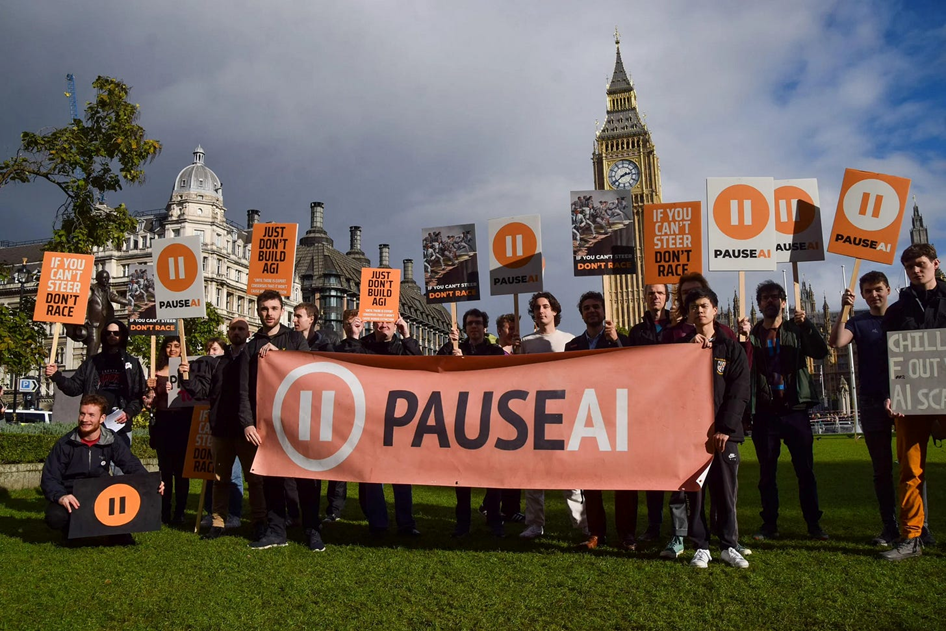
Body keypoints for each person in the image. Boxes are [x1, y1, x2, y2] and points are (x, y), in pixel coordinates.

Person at [828, 271, 933, 547]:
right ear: (862, 295)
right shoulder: (859, 322)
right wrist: (844, 309)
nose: (874, 294)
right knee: (881, 469)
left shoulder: (903, 316)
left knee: (912, 468)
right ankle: (889, 526)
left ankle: (920, 525)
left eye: (878, 289)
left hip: (905, 397)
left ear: (888, 289)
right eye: (868, 291)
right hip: (872, 400)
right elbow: (836, 342)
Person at [241, 291, 325, 551]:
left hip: (297, 420)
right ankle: (276, 531)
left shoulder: (295, 338)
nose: (269, 313)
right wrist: (247, 423)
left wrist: (281, 356)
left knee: (305, 479)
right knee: (272, 480)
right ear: (258, 311)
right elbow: (243, 389)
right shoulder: (250, 346)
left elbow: (308, 372)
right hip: (266, 424)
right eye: (264, 309)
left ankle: (312, 530)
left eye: (274, 308)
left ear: (282, 310)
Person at [674, 288, 750, 568]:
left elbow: (739, 391)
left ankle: (729, 545)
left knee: (726, 491)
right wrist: (687, 352)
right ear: (688, 313)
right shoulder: (681, 348)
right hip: (691, 434)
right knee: (696, 491)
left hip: (723, 435)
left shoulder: (731, 348)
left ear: (715, 310)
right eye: (694, 307)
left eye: (704, 305)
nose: (699, 310)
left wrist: (726, 428)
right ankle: (701, 545)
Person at [749, 280, 829, 541]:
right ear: (759, 304)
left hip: (794, 409)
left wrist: (807, 326)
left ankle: (813, 524)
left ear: (784, 302)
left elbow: (820, 352)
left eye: (775, 297)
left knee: (805, 470)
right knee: (766, 473)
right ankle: (769, 524)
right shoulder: (751, 335)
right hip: (765, 412)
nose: (770, 301)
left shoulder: (796, 329)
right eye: (765, 298)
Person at [881, 244, 945, 561]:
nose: (915, 271)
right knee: (909, 471)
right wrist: (890, 393)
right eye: (909, 267)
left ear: (935, 263)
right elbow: (888, 358)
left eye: (920, 264)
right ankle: (912, 537)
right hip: (911, 399)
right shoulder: (897, 311)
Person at [41, 394, 163, 544]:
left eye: (91, 415)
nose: (85, 419)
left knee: (123, 513)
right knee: (55, 517)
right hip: (73, 496)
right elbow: (49, 478)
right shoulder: (65, 444)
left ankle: (116, 532)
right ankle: (71, 530)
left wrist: (151, 482)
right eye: (82, 413)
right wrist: (61, 496)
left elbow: (131, 465)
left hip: (102, 496)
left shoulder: (111, 439)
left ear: (102, 419)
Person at [564, 291, 635, 550]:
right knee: (591, 481)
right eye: (587, 308)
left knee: (623, 481)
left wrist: (616, 342)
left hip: (617, 418)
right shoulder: (571, 347)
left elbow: (631, 370)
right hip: (586, 419)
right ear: (581, 314)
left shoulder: (622, 340)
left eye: (596, 307)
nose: (592, 311)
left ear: (604, 311)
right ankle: (596, 533)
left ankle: (626, 534)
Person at [187, 318, 266, 542]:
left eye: (241, 329)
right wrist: (186, 377)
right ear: (228, 333)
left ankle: (259, 521)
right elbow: (202, 392)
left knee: (255, 480)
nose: (237, 332)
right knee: (220, 479)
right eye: (233, 329)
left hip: (247, 429)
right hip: (221, 428)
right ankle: (218, 522)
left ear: (248, 333)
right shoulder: (217, 363)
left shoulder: (255, 358)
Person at [518, 291, 587, 540]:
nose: (541, 311)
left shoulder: (569, 340)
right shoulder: (525, 343)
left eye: (546, 306)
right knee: (533, 472)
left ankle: (580, 523)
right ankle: (535, 523)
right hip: (534, 411)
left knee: (570, 473)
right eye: (537, 307)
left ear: (554, 310)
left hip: (563, 411)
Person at [437, 308, 506, 538]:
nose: (474, 327)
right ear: (464, 329)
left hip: (489, 416)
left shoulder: (495, 352)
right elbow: (436, 367)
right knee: (462, 474)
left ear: (485, 327)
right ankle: (462, 521)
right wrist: (450, 350)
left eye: (477, 323)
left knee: (492, 474)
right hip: (462, 417)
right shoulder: (457, 349)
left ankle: (495, 519)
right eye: (469, 324)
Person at [353, 316, 423, 536]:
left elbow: (419, 365)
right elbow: (348, 364)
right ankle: (378, 523)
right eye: (379, 322)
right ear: (372, 324)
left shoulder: (402, 347)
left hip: (399, 419)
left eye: (388, 322)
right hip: (370, 418)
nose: (383, 325)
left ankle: (406, 523)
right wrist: (354, 336)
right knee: (373, 475)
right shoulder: (363, 346)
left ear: (395, 325)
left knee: (401, 475)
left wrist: (408, 335)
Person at [626, 283, 677, 544]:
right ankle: (654, 525)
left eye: (659, 293)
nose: (655, 297)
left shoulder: (680, 328)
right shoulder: (637, 332)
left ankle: (681, 528)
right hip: (647, 409)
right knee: (652, 471)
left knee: (679, 469)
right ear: (644, 298)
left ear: (666, 298)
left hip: (676, 408)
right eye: (650, 293)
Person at [46, 319, 146, 449]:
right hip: (94, 423)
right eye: (108, 333)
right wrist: (57, 376)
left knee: (121, 467)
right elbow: (74, 387)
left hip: (120, 424)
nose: (112, 336)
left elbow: (138, 394)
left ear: (122, 336)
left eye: (116, 333)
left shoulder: (132, 363)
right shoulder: (92, 362)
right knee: (94, 466)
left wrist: (128, 412)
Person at [292, 301, 346, 523]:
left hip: (323, 413)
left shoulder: (325, 347)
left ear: (311, 319)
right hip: (297, 412)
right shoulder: (287, 343)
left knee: (331, 463)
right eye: (294, 316)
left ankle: (333, 510)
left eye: (298, 316)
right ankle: (297, 511)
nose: (294, 320)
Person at [196, 336, 245, 530]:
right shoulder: (208, 371)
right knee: (214, 474)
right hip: (216, 426)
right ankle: (214, 513)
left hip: (234, 427)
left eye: (215, 350)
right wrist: (185, 377)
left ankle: (234, 513)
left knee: (233, 475)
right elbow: (201, 392)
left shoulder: (232, 368)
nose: (211, 354)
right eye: (209, 350)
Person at [145, 336, 191, 525]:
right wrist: (149, 395)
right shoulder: (155, 372)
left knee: (181, 471)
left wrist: (182, 382)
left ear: (182, 349)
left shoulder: (187, 370)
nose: (172, 350)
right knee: (165, 470)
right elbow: (150, 402)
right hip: (163, 423)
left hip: (181, 422)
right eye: (169, 346)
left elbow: (194, 394)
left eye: (176, 346)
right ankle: (164, 511)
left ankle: (179, 512)